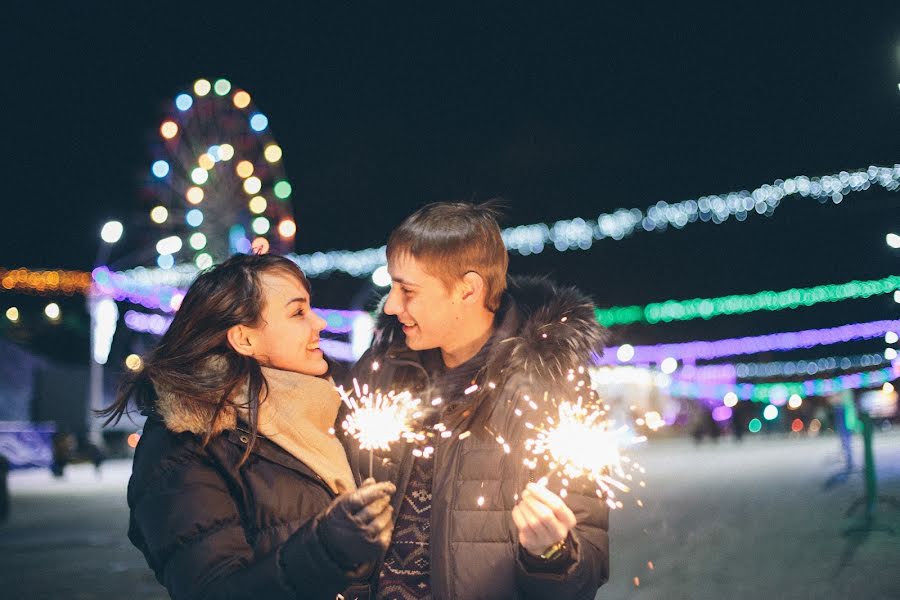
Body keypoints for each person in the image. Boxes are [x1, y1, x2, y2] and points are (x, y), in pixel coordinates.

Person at [344, 202, 610, 599]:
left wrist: (551, 553)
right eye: (392, 287)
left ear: (468, 289)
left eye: (408, 290)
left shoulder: (550, 385)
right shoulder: (381, 369)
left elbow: (586, 564)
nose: (391, 306)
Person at [100, 253, 395, 600]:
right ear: (244, 339)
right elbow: (214, 590)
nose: (318, 323)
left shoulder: (335, 408)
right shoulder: (185, 442)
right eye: (298, 312)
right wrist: (325, 549)